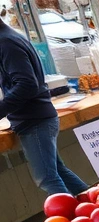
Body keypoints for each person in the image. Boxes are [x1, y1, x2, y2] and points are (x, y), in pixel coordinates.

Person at [0, 20, 88, 196]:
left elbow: (27, 84)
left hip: (35, 120)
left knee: (46, 178)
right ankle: (94, 207)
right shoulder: (9, 38)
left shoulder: (6, 42)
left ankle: (71, 220)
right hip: (37, 117)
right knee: (58, 171)